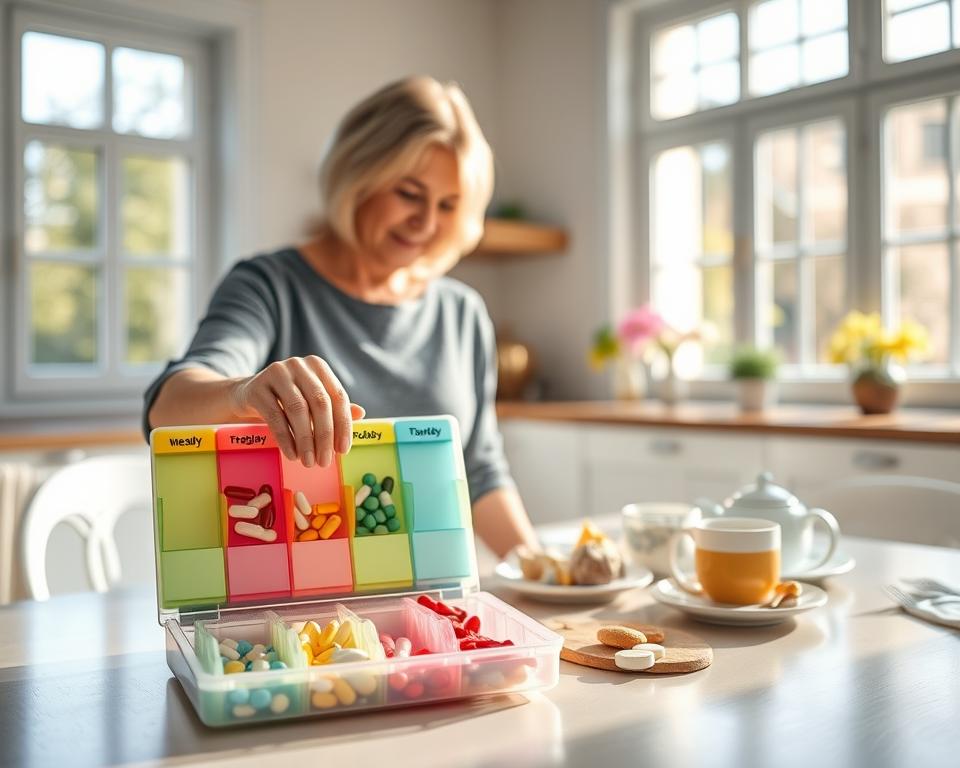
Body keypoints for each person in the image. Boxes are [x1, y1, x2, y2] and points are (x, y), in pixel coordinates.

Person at [144, 76, 538, 557]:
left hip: (425, 592)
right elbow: (168, 406)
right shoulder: (269, 285)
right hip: (291, 593)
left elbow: (477, 471)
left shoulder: (463, 312)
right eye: (410, 194)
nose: (427, 222)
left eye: (448, 205)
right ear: (359, 176)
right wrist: (243, 391)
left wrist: (542, 570)